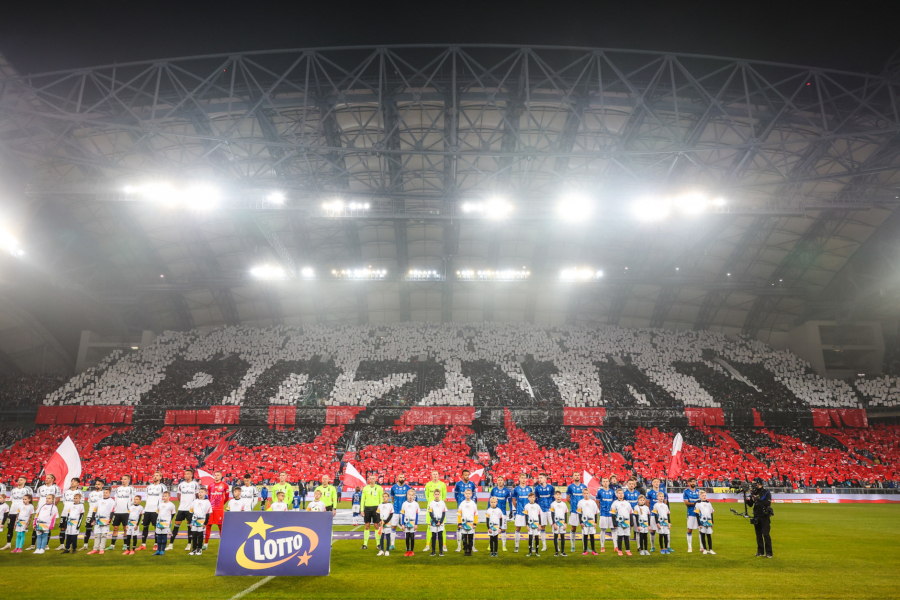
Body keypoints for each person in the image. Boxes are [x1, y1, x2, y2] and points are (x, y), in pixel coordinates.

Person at [168, 469, 199, 551]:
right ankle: (171, 544)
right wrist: (182, 502)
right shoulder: (181, 485)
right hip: (181, 508)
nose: (186, 475)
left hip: (190, 509)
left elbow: (197, 495)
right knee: (176, 525)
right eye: (185, 474)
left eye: (188, 474)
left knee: (189, 526)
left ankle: (189, 544)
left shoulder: (195, 484)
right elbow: (179, 494)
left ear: (192, 475)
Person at [30, 474, 60, 550]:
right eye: (46, 478)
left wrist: (51, 507)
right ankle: (33, 544)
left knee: (47, 527)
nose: (46, 479)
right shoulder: (40, 488)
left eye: (48, 478)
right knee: (35, 527)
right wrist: (39, 506)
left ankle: (46, 544)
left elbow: (58, 499)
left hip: (48, 511)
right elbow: (38, 498)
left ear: (53, 479)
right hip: (39, 510)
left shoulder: (56, 488)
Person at [2, 477, 32, 550]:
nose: (19, 481)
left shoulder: (27, 490)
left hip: (22, 513)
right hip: (12, 511)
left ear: (25, 481)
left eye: (21, 480)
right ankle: (8, 544)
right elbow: (12, 500)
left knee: (20, 529)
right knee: (10, 527)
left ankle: (19, 546)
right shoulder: (13, 490)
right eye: (18, 480)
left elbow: (30, 501)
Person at [746, 477, 773, 558]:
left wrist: (757, 500)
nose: (753, 484)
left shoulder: (766, 492)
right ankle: (760, 552)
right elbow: (751, 504)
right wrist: (747, 500)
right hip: (756, 515)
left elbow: (767, 503)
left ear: (759, 483)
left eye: (754, 483)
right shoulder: (753, 492)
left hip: (764, 516)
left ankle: (769, 553)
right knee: (758, 535)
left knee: (766, 534)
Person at [139, 471, 167, 551]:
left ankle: (156, 544)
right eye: (154, 475)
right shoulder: (148, 487)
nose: (155, 477)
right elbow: (146, 498)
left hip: (156, 510)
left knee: (156, 528)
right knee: (145, 527)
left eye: (157, 476)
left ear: (160, 477)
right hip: (147, 509)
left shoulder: (162, 487)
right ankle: (143, 544)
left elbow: (164, 497)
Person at [108, 474, 136, 551]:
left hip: (126, 512)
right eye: (122, 479)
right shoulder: (118, 489)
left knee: (125, 528)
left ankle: (125, 544)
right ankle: (112, 545)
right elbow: (116, 499)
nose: (123, 480)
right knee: (115, 528)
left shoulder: (131, 489)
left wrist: (129, 507)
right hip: (117, 511)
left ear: (128, 480)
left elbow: (133, 499)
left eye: (125, 479)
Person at [424, 471, 448, 552]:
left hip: (440, 508)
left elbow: (444, 496)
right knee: (429, 527)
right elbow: (426, 496)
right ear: (431, 475)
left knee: (442, 527)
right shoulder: (428, 484)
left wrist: (440, 504)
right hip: (431, 508)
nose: (435, 476)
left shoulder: (442, 484)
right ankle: (427, 545)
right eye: (433, 474)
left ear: (438, 475)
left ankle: (444, 545)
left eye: (436, 474)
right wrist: (432, 504)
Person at [453, 470, 476, 553]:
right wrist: (459, 502)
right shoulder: (458, 484)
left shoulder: (472, 484)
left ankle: (472, 546)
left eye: (468, 475)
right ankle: (459, 547)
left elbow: (474, 494)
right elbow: (456, 494)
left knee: (472, 526)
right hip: (461, 507)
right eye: (465, 475)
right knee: (459, 527)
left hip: (470, 508)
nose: (467, 476)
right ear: (462, 475)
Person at [206, 470, 229, 550]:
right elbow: (209, 497)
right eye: (215, 475)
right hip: (211, 509)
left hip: (219, 509)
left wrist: (221, 504)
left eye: (218, 475)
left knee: (221, 526)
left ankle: (223, 543)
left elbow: (227, 497)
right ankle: (205, 544)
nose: (216, 476)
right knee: (208, 525)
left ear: (221, 476)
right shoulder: (210, 486)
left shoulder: (225, 485)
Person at [88, 488, 116, 555]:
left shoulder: (112, 501)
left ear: (109, 494)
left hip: (105, 520)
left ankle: (101, 549)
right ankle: (95, 549)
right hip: (98, 520)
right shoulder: (99, 501)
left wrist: (109, 520)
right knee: (97, 535)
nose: (105, 494)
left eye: (106, 493)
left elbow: (112, 512)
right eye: (104, 492)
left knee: (103, 535)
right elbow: (94, 511)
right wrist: (93, 520)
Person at [57, 477, 81, 550]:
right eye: (72, 481)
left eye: (74, 481)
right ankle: (61, 545)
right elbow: (64, 501)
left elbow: (80, 504)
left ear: (78, 484)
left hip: (73, 515)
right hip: (64, 513)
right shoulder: (66, 492)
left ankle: (69, 545)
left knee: (70, 529)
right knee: (62, 528)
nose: (72, 482)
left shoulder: (79, 493)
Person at [360, 473, 383, 550]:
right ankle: (365, 544)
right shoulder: (365, 488)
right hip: (367, 508)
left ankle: (378, 544)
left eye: (373, 478)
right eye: (370, 478)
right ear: (369, 480)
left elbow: (381, 499)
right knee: (367, 525)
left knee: (376, 525)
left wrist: (381, 509)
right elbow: (362, 499)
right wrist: (362, 509)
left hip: (376, 508)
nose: (372, 480)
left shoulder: (379, 488)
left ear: (375, 479)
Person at [488, 476, 511, 552]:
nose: (500, 481)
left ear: (503, 481)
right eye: (499, 480)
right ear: (496, 481)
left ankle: (503, 546)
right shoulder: (494, 490)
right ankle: (490, 544)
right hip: (494, 513)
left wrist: (511, 510)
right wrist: (488, 509)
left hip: (503, 513)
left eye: (501, 480)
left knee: (503, 529)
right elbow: (490, 500)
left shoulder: (507, 491)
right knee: (492, 528)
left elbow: (510, 501)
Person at [511, 473, 533, 553]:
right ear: (519, 479)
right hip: (519, 512)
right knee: (518, 528)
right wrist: (518, 508)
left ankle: (532, 546)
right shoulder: (516, 490)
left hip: (529, 513)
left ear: (526, 479)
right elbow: (513, 501)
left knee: (531, 529)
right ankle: (516, 547)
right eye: (522, 478)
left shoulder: (529, 489)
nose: (523, 479)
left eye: (525, 478)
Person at [566, 472, 587, 553]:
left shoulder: (584, 486)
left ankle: (585, 546)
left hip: (583, 511)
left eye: (578, 475)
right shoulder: (570, 487)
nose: (577, 476)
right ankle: (573, 546)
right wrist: (575, 505)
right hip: (574, 510)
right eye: (575, 475)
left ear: (580, 477)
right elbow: (568, 498)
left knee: (584, 527)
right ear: (573, 477)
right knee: (573, 527)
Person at [390, 474, 411, 551]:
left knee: (406, 528)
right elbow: (392, 497)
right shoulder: (393, 487)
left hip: (404, 512)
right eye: (400, 477)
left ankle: (407, 545)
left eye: (403, 477)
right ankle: (392, 545)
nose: (402, 479)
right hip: (395, 511)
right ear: (397, 478)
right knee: (393, 527)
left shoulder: (408, 488)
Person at [534, 473, 554, 553]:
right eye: (539, 478)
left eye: (541, 477)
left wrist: (553, 509)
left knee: (554, 526)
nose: (540, 479)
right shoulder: (537, 488)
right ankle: (544, 545)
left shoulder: (551, 487)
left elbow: (553, 498)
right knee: (542, 527)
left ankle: (556, 545)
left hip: (549, 509)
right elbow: (536, 499)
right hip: (541, 510)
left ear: (545, 478)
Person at [189, 487, 212, 555]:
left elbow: (208, 513)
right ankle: (193, 549)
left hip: (202, 521)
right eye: (199, 492)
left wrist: (205, 523)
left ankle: (199, 549)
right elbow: (191, 512)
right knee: (194, 535)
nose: (200, 494)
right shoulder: (195, 501)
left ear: (205, 493)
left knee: (200, 535)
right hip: (194, 521)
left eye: (202, 492)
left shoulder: (207, 502)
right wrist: (190, 521)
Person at [596, 476, 616, 553]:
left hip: (611, 514)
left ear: (608, 482)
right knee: (603, 530)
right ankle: (602, 546)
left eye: (606, 481)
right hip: (603, 514)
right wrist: (601, 510)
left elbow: (614, 503)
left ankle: (615, 546)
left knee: (613, 530)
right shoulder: (600, 492)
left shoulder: (612, 491)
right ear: (602, 483)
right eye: (604, 481)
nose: (605, 483)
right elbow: (597, 502)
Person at [83, 480, 104, 550]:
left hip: (99, 515)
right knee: (88, 529)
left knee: (99, 530)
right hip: (90, 514)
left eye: (99, 484)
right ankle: (85, 545)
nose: (97, 485)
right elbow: (89, 504)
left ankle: (98, 545)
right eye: (96, 484)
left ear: (102, 485)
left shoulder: (103, 493)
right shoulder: (91, 493)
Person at [611, 488, 633, 556]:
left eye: (622, 493)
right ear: (617, 495)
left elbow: (630, 513)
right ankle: (620, 550)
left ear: (623, 494)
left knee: (627, 536)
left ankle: (628, 550)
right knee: (620, 536)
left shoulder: (627, 503)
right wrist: (614, 523)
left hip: (627, 522)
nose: (621, 494)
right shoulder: (615, 503)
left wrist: (631, 522)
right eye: (619, 493)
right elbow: (613, 514)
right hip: (619, 523)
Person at [153, 491, 177, 556]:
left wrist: (169, 521)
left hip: (166, 523)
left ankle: (162, 550)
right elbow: (157, 512)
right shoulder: (160, 504)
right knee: (158, 536)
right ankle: (158, 550)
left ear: (169, 497)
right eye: (163, 496)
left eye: (165, 496)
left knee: (164, 536)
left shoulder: (171, 505)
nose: (164, 497)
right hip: (159, 522)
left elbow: (173, 513)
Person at [577, 489, 599, 556]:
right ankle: (585, 550)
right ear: (583, 494)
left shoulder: (593, 502)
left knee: (592, 535)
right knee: (585, 535)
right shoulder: (580, 502)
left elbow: (596, 513)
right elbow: (579, 513)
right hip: (584, 521)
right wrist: (581, 522)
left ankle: (593, 550)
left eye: (587, 493)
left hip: (591, 521)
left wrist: (595, 522)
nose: (586, 494)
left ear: (589, 494)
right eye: (585, 493)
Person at [646, 477, 665, 552]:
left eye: (658, 482)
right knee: (653, 530)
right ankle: (652, 546)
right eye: (655, 482)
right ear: (652, 483)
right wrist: (650, 513)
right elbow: (647, 504)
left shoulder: (662, 492)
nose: (656, 483)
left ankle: (666, 546)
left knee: (664, 530)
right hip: (653, 515)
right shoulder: (649, 492)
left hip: (662, 515)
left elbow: (665, 503)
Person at [457, 488, 478, 556]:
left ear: (471, 494)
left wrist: (475, 523)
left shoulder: (473, 504)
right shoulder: (462, 503)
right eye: (467, 493)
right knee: (464, 538)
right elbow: (459, 514)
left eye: (469, 493)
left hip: (471, 523)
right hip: (463, 524)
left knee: (471, 538)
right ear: (464, 494)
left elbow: (476, 514)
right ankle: (465, 550)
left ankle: (470, 550)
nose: (468, 495)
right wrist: (459, 523)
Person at [400, 489, 420, 557]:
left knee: (412, 536)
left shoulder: (416, 504)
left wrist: (416, 524)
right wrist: (402, 524)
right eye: (409, 495)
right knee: (407, 537)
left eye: (412, 495)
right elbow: (403, 514)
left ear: (413, 496)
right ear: (407, 495)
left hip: (413, 522)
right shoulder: (404, 504)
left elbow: (417, 514)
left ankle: (412, 551)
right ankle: (407, 551)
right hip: (406, 522)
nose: (410, 496)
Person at [683, 476, 701, 553]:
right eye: (692, 482)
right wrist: (695, 503)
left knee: (701, 530)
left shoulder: (699, 491)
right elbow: (686, 503)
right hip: (691, 513)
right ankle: (690, 547)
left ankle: (702, 546)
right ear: (689, 483)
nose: (693, 483)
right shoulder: (686, 492)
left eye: (694, 481)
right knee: (690, 530)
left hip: (699, 513)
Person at [549, 489, 568, 557]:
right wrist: (553, 523)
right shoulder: (553, 504)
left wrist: (565, 523)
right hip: (556, 522)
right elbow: (552, 514)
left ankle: (562, 551)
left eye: (559, 495)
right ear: (554, 496)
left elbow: (565, 514)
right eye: (557, 495)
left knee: (562, 536)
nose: (558, 496)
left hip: (562, 522)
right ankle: (556, 551)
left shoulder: (564, 504)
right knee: (555, 536)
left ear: (561, 496)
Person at [696, 490, 715, 555]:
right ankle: (705, 549)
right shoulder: (698, 503)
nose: (704, 497)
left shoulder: (709, 503)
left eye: (705, 495)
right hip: (702, 522)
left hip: (709, 522)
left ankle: (710, 549)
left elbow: (711, 513)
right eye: (703, 495)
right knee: (703, 535)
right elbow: (697, 514)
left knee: (709, 535)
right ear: (700, 496)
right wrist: (699, 523)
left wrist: (712, 522)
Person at [523, 492, 542, 557]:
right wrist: (527, 525)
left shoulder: (537, 506)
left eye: (533, 497)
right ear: (528, 498)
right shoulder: (526, 506)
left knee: (536, 537)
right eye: (530, 497)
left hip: (536, 523)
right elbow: (525, 516)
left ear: (535, 498)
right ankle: (530, 552)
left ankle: (537, 551)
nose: (532, 498)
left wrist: (540, 524)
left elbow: (539, 515)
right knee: (530, 538)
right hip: (530, 524)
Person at [376, 491, 393, 557]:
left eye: (386, 496)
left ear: (388, 497)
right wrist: (380, 521)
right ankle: (382, 550)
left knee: (388, 537)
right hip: (381, 524)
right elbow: (377, 514)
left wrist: (385, 521)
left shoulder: (390, 505)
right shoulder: (380, 505)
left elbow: (391, 515)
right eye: (383, 496)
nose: (384, 498)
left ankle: (387, 550)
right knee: (381, 537)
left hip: (387, 523)